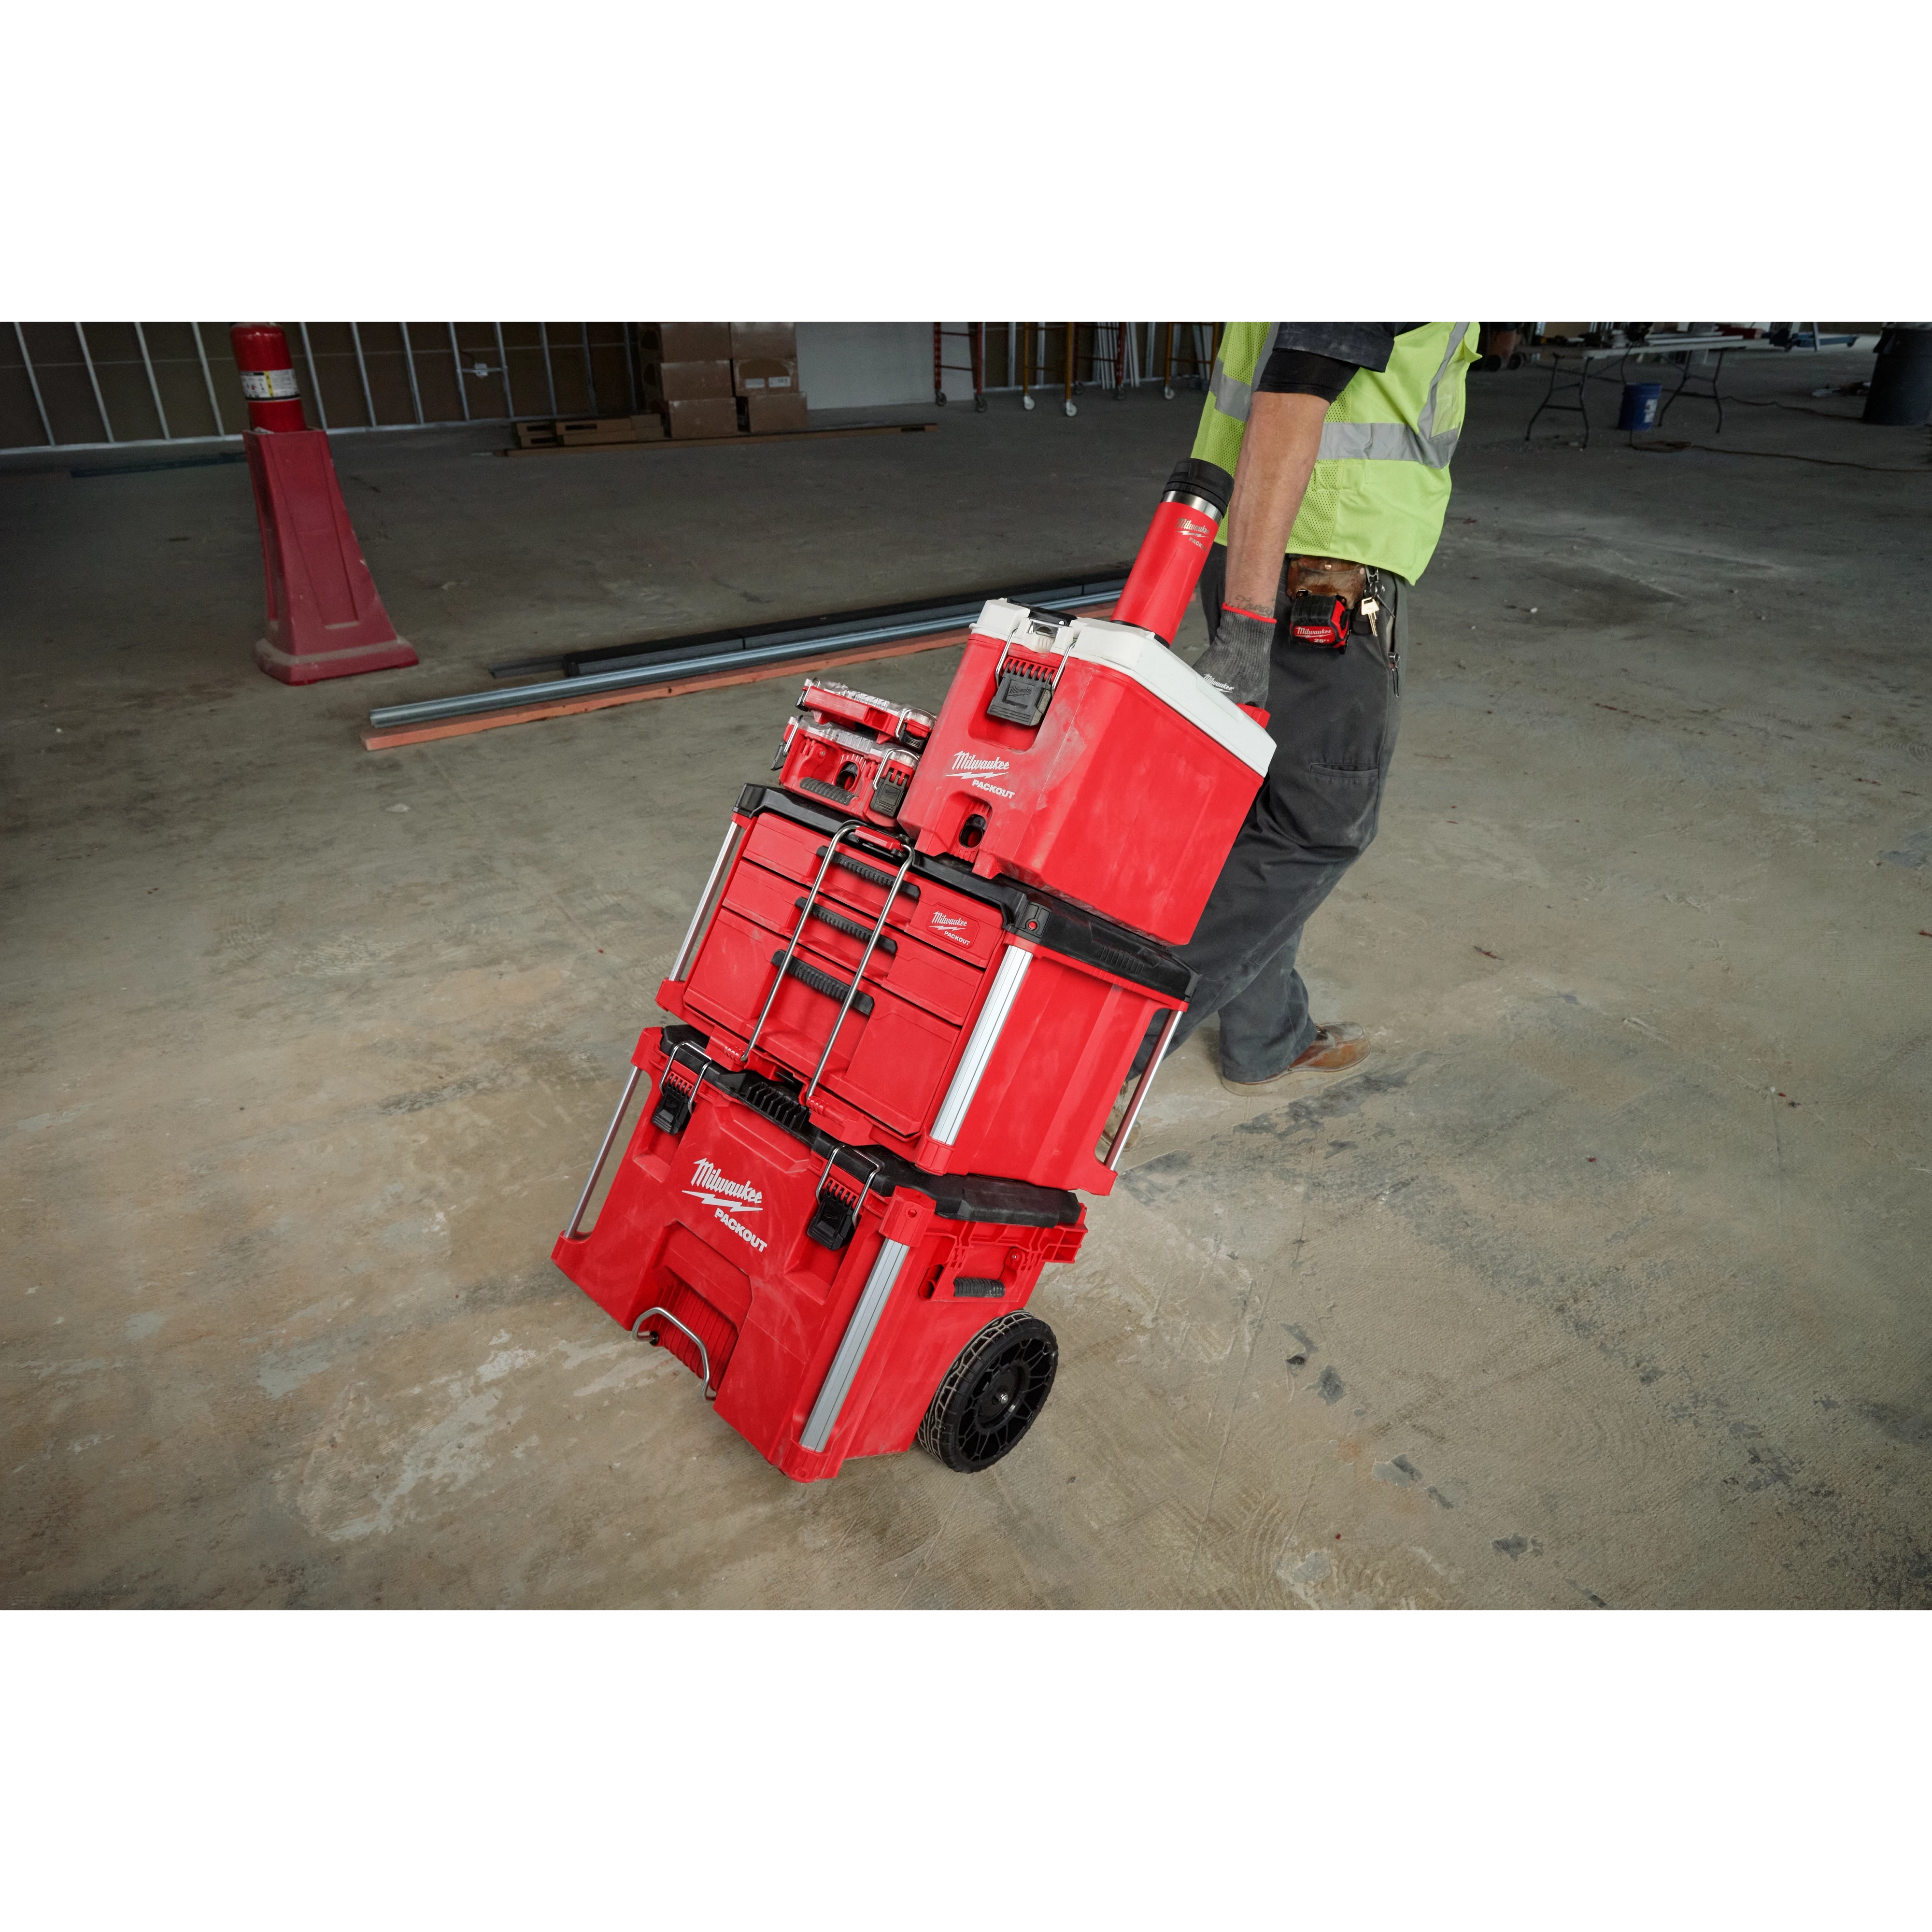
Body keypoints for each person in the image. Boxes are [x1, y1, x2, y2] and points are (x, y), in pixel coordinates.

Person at [1134, 320, 1479, 1099]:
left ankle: (1265, 1032)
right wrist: (1252, 624)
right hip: (1317, 558)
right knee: (1318, 825)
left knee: (1267, 801)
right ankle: (1110, 1041)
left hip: (1247, 532)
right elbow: (1292, 399)